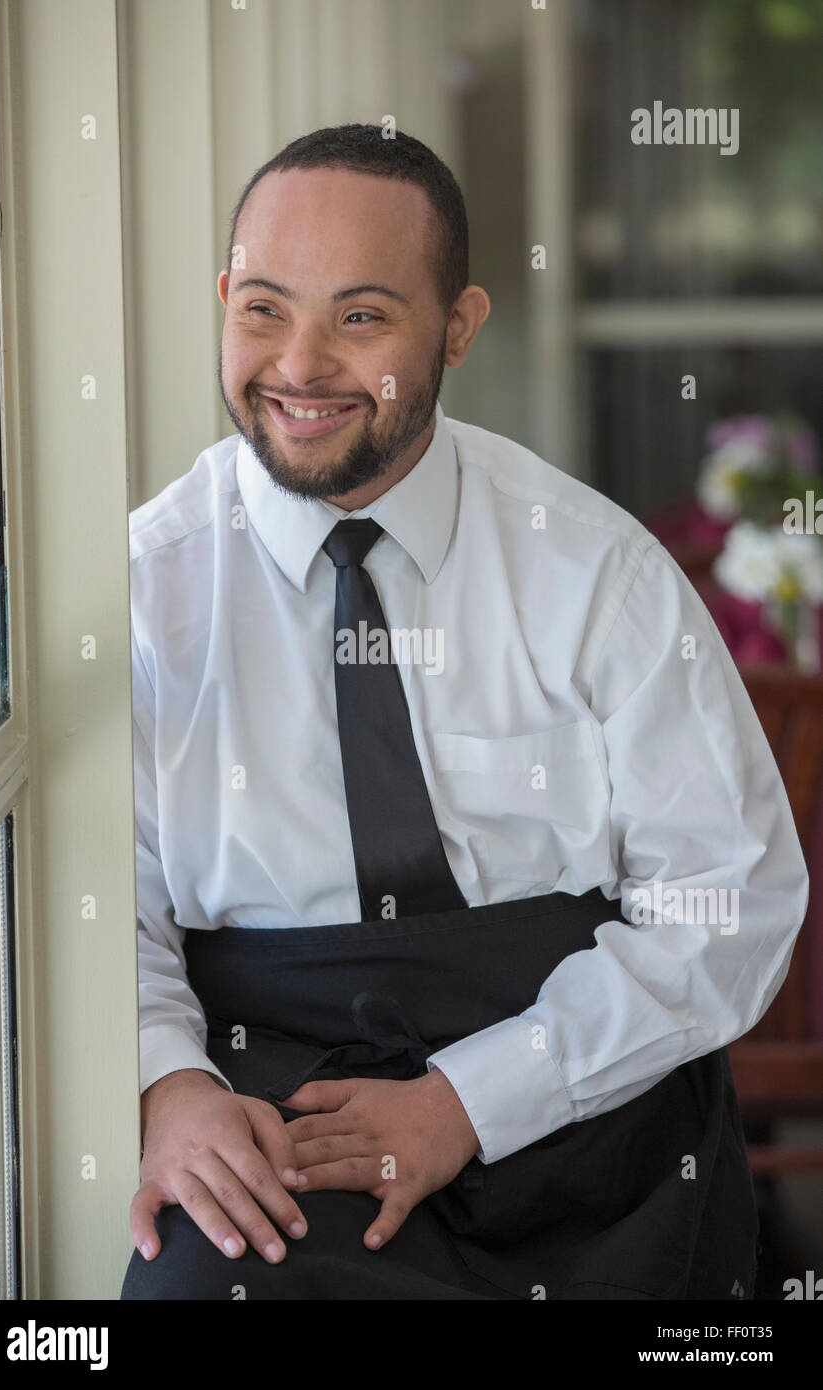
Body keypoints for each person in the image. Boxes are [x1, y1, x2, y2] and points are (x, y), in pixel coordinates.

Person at [120, 124, 808, 1301]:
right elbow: (103, 923)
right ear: (223, 298)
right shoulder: (141, 590)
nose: (299, 365)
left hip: (589, 1105)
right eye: (263, 308)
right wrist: (164, 1085)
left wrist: (466, 1103)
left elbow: (731, 898)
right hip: (283, 1122)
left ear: (458, 326)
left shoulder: (599, 572)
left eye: (362, 316)